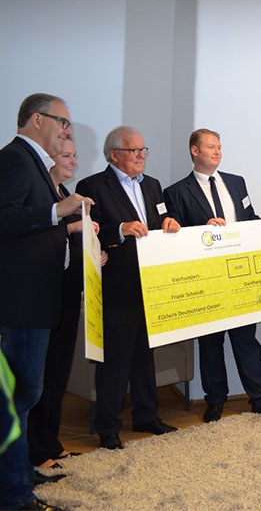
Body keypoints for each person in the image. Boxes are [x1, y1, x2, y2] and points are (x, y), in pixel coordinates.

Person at [164, 128, 261, 422]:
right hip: (206, 280)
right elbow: (175, 236)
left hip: (240, 277)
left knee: (247, 340)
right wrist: (201, 231)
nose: (217, 152)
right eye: (211, 146)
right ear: (194, 151)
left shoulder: (237, 183)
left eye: (220, 147)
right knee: (210, 344)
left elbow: (251, 221)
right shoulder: (176, 192)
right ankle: (215, 402)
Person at [0, 93, 91, 511]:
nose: (67, 130)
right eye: (63, 122)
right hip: (20, 304)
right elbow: (5, 219)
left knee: (25, 397)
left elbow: (28, 228)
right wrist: (59, 211)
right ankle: (13, 494)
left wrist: (65, 228)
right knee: (18, 399)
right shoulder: (15, 159)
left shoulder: (31, 162)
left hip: (35, 302)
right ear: (37, 119)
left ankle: (19, 473)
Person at [75, 126, 180, 450]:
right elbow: (88, 233)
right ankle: (107, 426)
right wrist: (120, 229)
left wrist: (169, 222)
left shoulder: (153, 185)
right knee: (114, 362)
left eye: (143, 150)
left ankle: (147, 415)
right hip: (117, 287)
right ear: (114, 154)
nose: (140, 156)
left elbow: (161, 218)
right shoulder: (92, 186)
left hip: (150, 285)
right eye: (133, 150)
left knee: (144, 357)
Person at [28, 138, 105, 470]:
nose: (73, 161)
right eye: (66, 156)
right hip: (42, 300)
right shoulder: (43, 200)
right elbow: (34, 244)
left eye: (75, 155)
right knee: (40, 376)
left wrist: (93, 256)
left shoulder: (64, 195)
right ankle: (35, 449)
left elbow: (68, 253)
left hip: (67, 297)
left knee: (58, 373)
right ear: (49, 161)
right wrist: (72, 227)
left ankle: (51, 441)